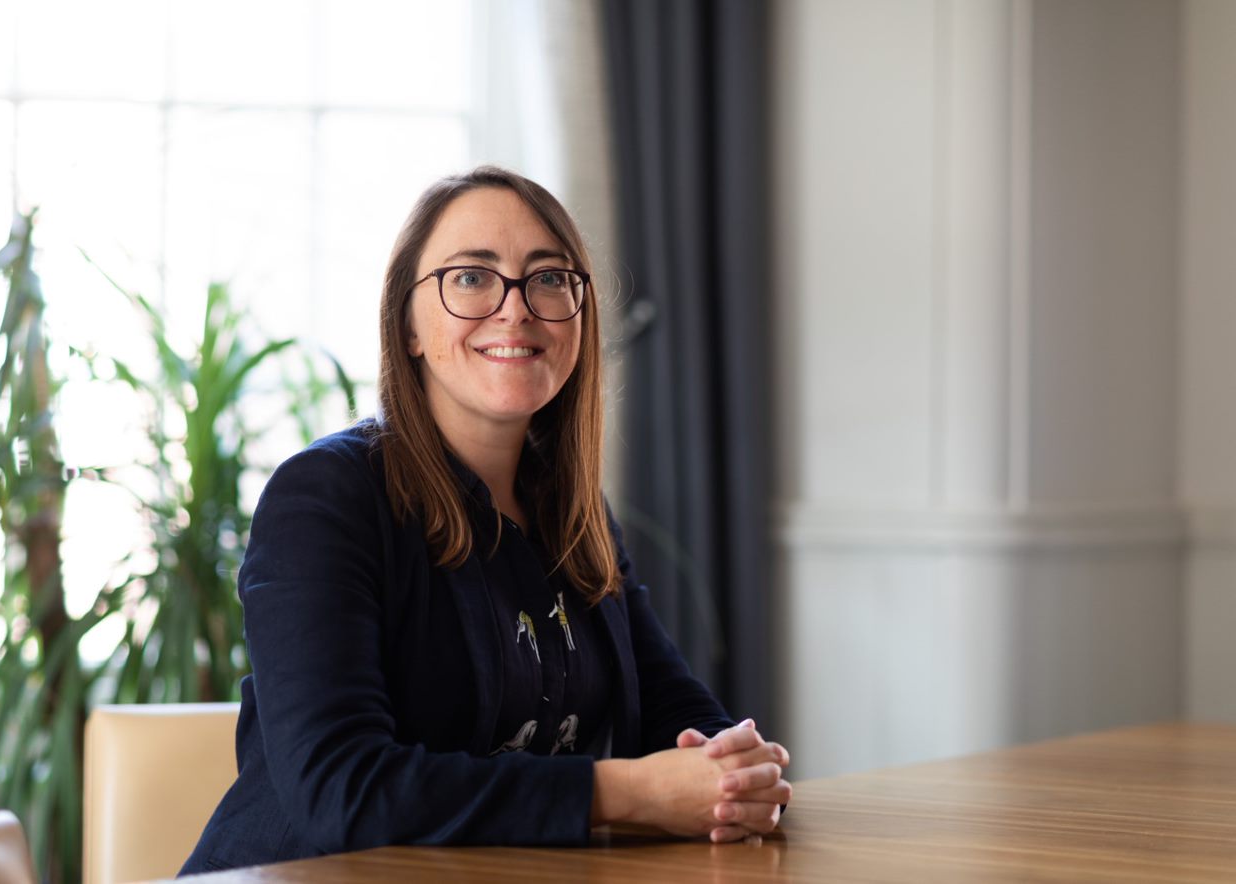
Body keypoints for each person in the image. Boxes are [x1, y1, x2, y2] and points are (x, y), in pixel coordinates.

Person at [180, 167, 790, 874]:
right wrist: (624, 791)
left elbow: (671, 709)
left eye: (548, 278)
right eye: (471, 277)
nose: (516, 308)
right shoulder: (325, 497)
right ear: (406, 324)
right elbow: (340, 790)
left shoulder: (574, 507)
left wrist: (734, 774)